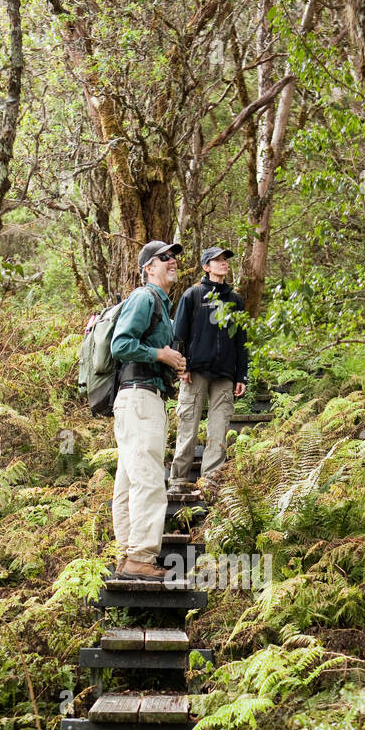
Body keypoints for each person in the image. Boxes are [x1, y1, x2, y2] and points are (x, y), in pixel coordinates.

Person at [109, 240, 186, 580]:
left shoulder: (160, 306)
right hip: (140, 400)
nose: (172, 261)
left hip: (139, 399)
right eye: (164, 257)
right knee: (151, 480)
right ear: (148, 268)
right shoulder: (145, 297)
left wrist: (172, 364)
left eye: (174, 257)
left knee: (128, 483)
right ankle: (140, 557)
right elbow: (121, 344)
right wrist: (161, 356)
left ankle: (128, 555)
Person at [169, 246, 248, 492]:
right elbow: (177, 335)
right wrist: (181, 366)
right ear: (206, 267)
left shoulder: (235, 300)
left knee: (219, 429)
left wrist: (241, 374)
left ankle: (210, 481)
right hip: (194, 371)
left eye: (225, 260)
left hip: (225, 373)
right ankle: (179, 480)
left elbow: (241, 342)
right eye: (218, 260)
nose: (224, 263)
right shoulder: (192, 295)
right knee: (188, 426)